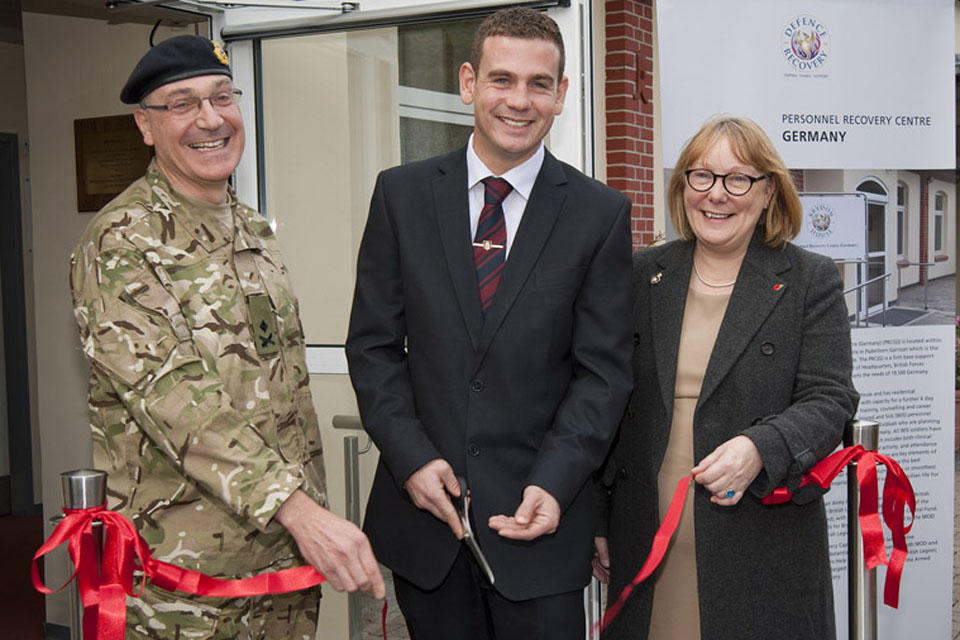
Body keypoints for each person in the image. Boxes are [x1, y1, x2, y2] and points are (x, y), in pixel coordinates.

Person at [69, 35, 384, 639]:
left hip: (282, 564)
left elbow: (277, 391)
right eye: (182, 104)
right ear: (145, 125)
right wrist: (304, 513)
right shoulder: (122, 242)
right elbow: (175, 400)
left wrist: (302, 522)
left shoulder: (249, 227)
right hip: (186, 582)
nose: (210, 119)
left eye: (221, 97)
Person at [345, 7, 633, 639]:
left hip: (540, 529)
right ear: (469, 82)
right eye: (502, 80)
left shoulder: (600, 214)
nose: (519, 101)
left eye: (539, 84)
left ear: (562, 96)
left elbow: (603, 375)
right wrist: (411, 458)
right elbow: (372, 347)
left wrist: (555, 485)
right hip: (427, 527)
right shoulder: (401, 195)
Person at [592, 115, 859, 640]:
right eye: (702, 176)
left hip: (759, 541)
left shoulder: (809, 279)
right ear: (682, 186)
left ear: (768, 194)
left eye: (738, 179)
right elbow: (609, 402)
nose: (717, 195)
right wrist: (598, 519)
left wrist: (761, 446)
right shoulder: (643, 274)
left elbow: (830, 399)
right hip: (647, 540)